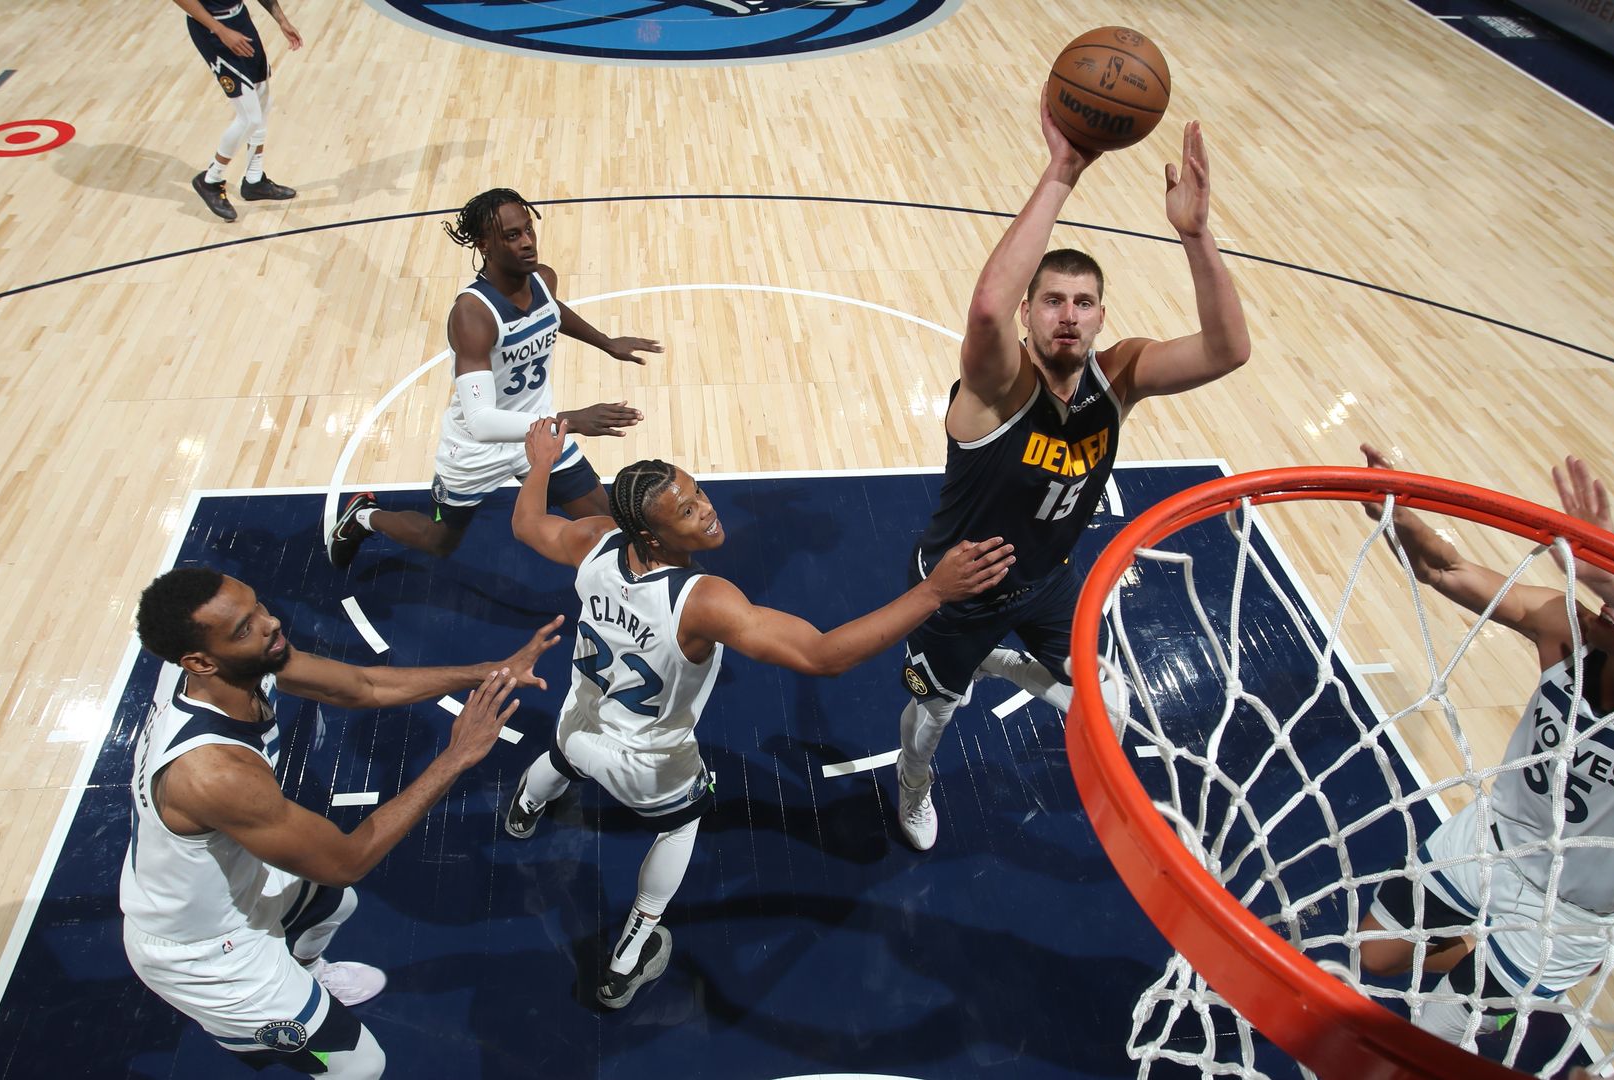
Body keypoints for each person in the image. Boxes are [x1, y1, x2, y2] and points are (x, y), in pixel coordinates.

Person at [501, 419, 1015, 1008]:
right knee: (679, 824)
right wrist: (934, 592)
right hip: (646, 759)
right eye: (688, 512)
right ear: (651, 531)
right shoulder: (704, 602)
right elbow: (822, 656)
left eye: (699, 495)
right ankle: (628, 955)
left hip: (582, 714)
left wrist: (541, 461)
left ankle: (524, 807)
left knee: (564, 751)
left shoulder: (593, 538)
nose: (708, 512)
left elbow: (525, 523)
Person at [892, 97, 1252, 850]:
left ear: (1100, 316)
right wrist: (1062, 172)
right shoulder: (997, 387)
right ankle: (912, 788)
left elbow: (1227, 351)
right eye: (1052, 300)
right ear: (1029, 315)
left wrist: (1195, 236)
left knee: (1109, 707)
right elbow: (986, 309)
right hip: (963, 585)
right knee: (930, 721)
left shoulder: (1118, 376)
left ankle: (1010, 663)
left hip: (1051, 578)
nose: (1068, 314)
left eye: (1083, 303)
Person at [1352, 447, 1614, 1050]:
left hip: (1566, 913)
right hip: (1492, 839)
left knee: (1437, 1037)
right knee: (1373, 957)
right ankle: (1487, 963)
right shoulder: (1569, 630)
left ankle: (1518, 985)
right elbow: (1447, 571)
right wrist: (1403, 521)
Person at [121, 566, 562, 1076]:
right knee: (359, 1066)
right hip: (203, 952)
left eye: (259, 606)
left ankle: (304, 977)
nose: (269, 623)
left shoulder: (227, 667)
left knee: (332, 905)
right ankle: (247, 1029)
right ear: (199, 661)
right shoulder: (214, 773)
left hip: (222, 888)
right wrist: (457, 756)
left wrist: (492, 670)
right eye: (245, 627)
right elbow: (347, 860)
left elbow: (361, 686)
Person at [328, 188, 663, 569]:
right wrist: (571, 421)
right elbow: (482, 422)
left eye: (528, 231)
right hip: (477, 448)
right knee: (438, 541)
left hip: (539, 433)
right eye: (512, 236)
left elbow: (550, 311)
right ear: (484, 244)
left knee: (609, 524)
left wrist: (605, 342)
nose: (527, 244)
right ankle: (362, 517)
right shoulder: (473, 314)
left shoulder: (543, 279)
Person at [172, 0, 303, 222]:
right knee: (249, 118)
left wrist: (282, 20)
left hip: (239, 18)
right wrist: (221, 31)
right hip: (212, 29)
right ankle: (210, 180)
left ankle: (254, 180)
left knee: (263, 100)